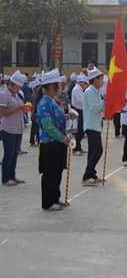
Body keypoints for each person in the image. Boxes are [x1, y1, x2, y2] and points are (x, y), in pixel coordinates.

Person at [36, 69, 70, 211]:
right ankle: (48, 202)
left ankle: (55, 198)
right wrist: (62, 138)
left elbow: (60, 118)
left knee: (57, 173)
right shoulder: (44, 103)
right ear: (51, 86)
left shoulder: (53, 101)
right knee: (50, 174)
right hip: (50, 144)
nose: (60, 86)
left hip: (59, 143)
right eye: (58, 84)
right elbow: (48, 127)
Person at [0, 71, 28, 186]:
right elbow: (3, 112)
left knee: (15, 153)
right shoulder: (3, 94)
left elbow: (19, 108)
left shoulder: (17, 95)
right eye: (18, 86)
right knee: (9, 153)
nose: (19, 88)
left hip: (18, 128)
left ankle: (12, 175)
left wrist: (24, 109)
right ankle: (6, 178)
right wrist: (18, 109)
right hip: (8, 129)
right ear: (12, 84)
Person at [82, 67, 105, 186]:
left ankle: (91, 174)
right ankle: (87, 175)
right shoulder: (89, 92)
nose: (102, 81)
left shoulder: (95, 91)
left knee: (94, 151)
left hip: (95, 124)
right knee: (97, 151)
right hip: (91, 125)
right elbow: (94, 108)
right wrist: (105, 101)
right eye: (101, 79)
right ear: (95, 80)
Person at [71, 73, 88, 155]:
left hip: (80, 110)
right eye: (85, 84)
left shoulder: (80, 89)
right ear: (81, 82)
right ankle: (75, 149)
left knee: (80, 131)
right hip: (77, 110)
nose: (85, 86)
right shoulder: (77, 89)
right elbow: (80, 101)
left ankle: (79, 147)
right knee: (77, 131)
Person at [29, 77, 42, 146]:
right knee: (35, 128)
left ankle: (34, 141)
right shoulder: (35, 95)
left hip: (34, 114)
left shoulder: (34, 94)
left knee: (34, 128)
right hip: (35, 114)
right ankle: (35, 141)